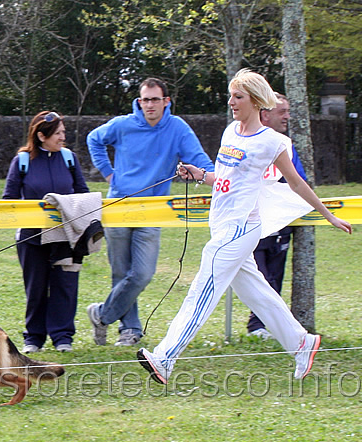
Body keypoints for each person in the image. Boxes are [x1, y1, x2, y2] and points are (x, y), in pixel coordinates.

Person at [138, 69, 352, 384]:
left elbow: (296, 183)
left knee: (203, 290)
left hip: (240, 228)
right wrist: (200, 174)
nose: (232, 102)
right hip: (221, 223)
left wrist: (328, 214)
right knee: (258, 294)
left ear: (254, 100)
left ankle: (165, 358)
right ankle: (301, 343)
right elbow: (224, 180)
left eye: (237, 97)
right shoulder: (230, 132)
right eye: (231, 96)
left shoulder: (273, 142)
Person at [86, 77, 215, 347]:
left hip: (154, 210)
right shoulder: (123, 125)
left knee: (142, 273)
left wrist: (217, 177)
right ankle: (130, 330)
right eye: (144, 99)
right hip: (119, 206)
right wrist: (109, 173)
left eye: (155, 99)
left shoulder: (178, 129)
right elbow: (94, 139)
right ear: (139, 101)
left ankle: (101, 314)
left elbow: (200, 160)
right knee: (121, 273)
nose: (149, 105)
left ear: (166, 101)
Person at [3, 111, 89, 353]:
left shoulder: (69, 158)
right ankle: (34, 338)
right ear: (41, 136)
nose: (63, 137)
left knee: (65, 285)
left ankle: (63, 337)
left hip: (66, 237)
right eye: (58, 133)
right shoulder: (22, 160)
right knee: (36, 288)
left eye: (63, 132)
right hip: (32, 238)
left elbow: (82, 191)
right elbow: (9, 198)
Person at [247, 93, 307, 340]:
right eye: (282, 111)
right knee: (261, 279)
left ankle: (267, 328)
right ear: (265, 114)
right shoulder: (246, 141)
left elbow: (298, 180)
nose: (287, 117)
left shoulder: (286, 144)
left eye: (288, 111)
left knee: (275, 277)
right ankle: (256, 327)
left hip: (281, 225)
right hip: (253, 224)